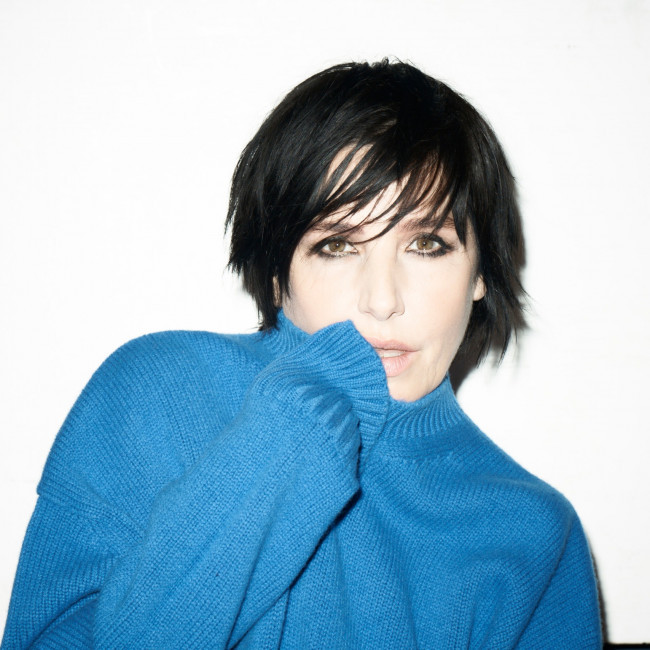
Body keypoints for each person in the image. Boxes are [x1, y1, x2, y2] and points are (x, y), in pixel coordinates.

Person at [2, 60, 601, 648]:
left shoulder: (532, 533)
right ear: (276, 273)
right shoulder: (158, 394)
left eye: (426, 244)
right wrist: (291, 437)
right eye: (337, 245)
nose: (382, 300)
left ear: (480, 273)